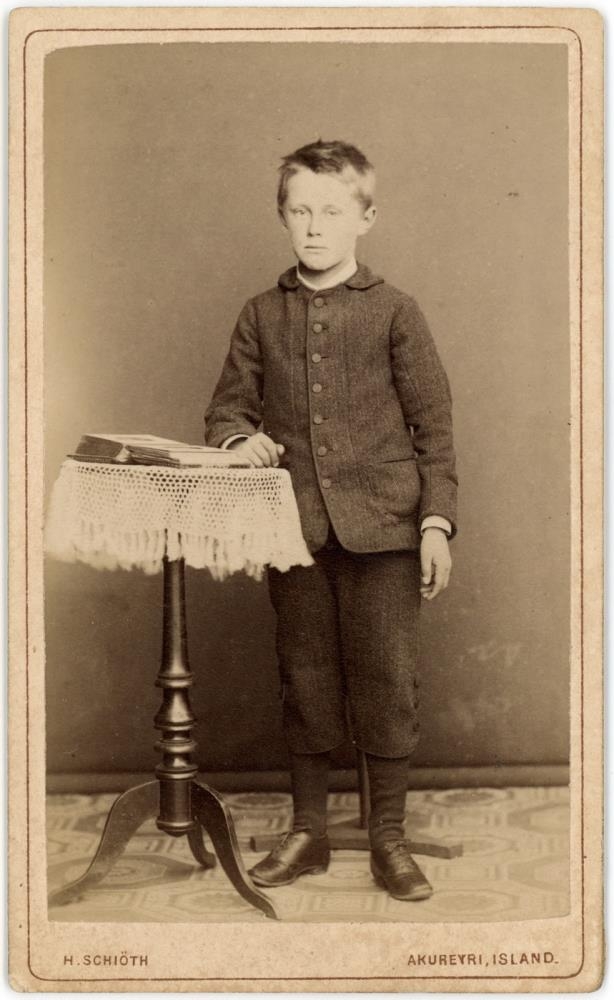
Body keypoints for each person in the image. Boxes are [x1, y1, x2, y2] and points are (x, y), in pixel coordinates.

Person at [204, 139, 457, 901]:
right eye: (300, 211)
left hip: (387, 533)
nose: (314, 227)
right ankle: (309, 833)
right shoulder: (261, 314)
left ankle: (388, 840)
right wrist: (239, 442)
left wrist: (436, 525)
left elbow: (434, 430)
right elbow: (227, 409)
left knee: (388, 681)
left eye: (332, 212)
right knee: (306, 679)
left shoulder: (395, 311)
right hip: (295, 533)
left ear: (365, 218)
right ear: (283, 216)